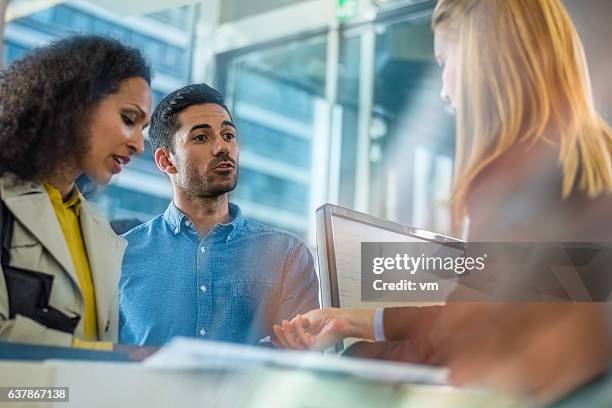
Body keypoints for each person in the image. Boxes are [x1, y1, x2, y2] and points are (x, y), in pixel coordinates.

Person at [274, 0, 612, 404]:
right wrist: (351, 320)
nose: (445, 90)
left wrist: (348, 371)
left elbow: (467, 334)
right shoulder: (586, 161)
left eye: (444, 61)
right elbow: (487, 307)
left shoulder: (516, 178)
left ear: (483, 60)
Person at [119, 83, 319, 346]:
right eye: (201, 137)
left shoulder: (287, 256)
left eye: (228, 135)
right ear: (166, 161)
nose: (222, 147)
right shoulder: (121, 255)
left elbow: (300, 369)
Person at [0, 35, 152, 348]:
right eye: (128, 119)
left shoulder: (102, 235)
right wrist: (106, 356)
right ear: (75, 103)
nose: (138, 144)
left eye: (143, 129)